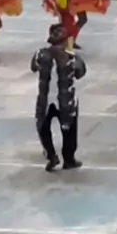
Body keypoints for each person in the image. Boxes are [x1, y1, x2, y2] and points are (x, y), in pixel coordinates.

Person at [31, 23, 86, 171]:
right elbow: (80, 73)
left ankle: (51, 155)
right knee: (69, 131)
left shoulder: (40, 54)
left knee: (43, 128)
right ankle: (69, 159)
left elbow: (33, 67)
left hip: (45, 99)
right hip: (66, 100)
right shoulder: (72, 58)